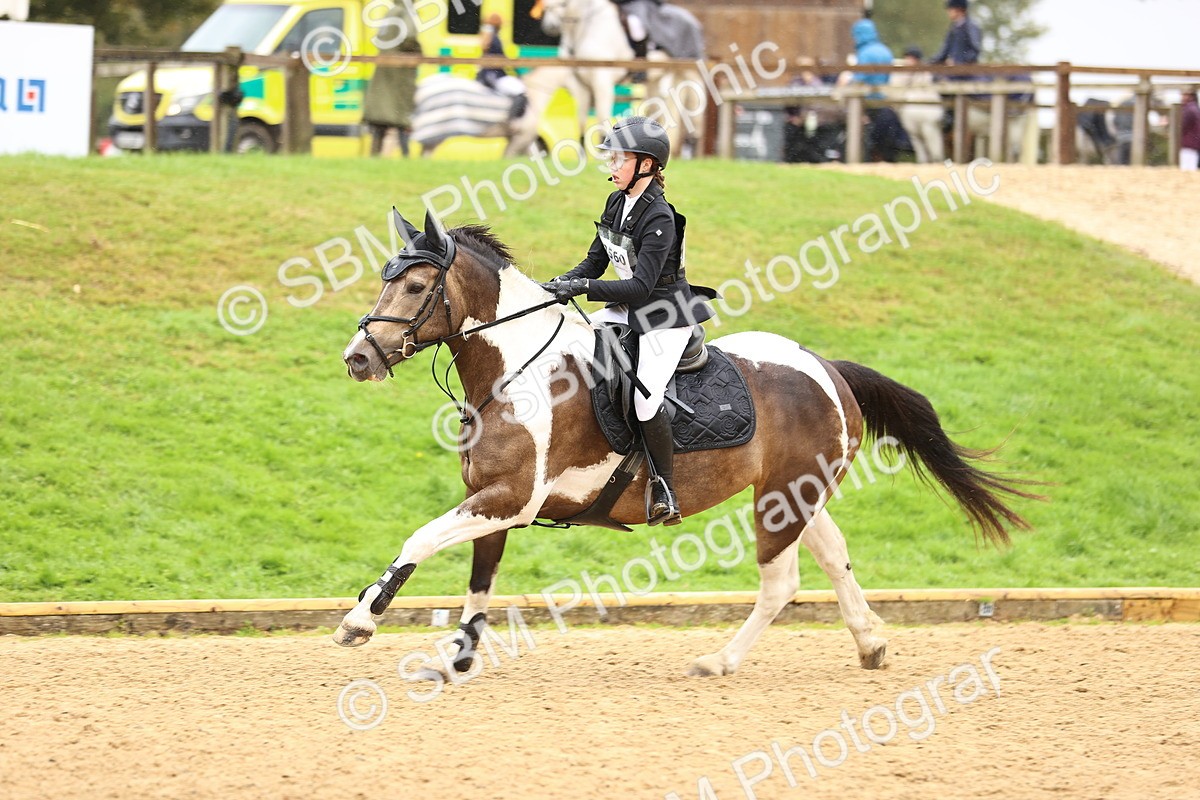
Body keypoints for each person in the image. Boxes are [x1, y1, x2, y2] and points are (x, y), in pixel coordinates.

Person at [542, 117, 717, 526]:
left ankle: (664, 488)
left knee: (646, 399)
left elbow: (640, 286)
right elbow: (594, 262)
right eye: (612, 158)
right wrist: (555, 286)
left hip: (665, 316)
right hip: (627, 308)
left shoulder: (660, 217)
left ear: (646, 164)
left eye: (619, 159)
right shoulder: (616, 202)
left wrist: (583, 287)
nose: (612, 166)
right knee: (568, 344)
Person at [838, 17, 904, 162]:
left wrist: (846, 83)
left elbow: (859, 78)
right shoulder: (885, 51)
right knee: (884, 138)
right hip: (883, 103)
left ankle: (860, 159)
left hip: (866, 103)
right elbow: (887, 77)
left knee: (862, 135)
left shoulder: (865, 53)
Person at [362, 1, 421, 157]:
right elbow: (409, 38)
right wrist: (418, 51)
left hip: (383, 69)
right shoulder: (406, 12)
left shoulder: (390, 12)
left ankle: (374, 156)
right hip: (399, 74)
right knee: (401, 118)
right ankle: (406, 157)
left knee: (380, 119)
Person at [476, 13, 528, 118]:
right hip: (494, 75)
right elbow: (503, 58)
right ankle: (510, 119)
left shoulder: (490, 37)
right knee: (520, 90)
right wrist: (517, 72)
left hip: (488, 74)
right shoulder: (493, 38)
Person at [931, 0, 982, 74]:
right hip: (954, 72)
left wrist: (959, 62)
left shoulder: (971, 27)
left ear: (959, 9)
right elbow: (944, 52)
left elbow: (974, 51)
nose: (948, 12)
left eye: (950, 9)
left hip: (968, 74)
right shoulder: (953, 29)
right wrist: (930, 62)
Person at [1180, 87, 1199, 172]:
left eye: (1185, 95)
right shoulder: (1194, 108)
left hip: (1188, 144)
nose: (1182, 97)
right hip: (1193, 144)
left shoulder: (1188, 109)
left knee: (1187, 169)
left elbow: (1182, 126)